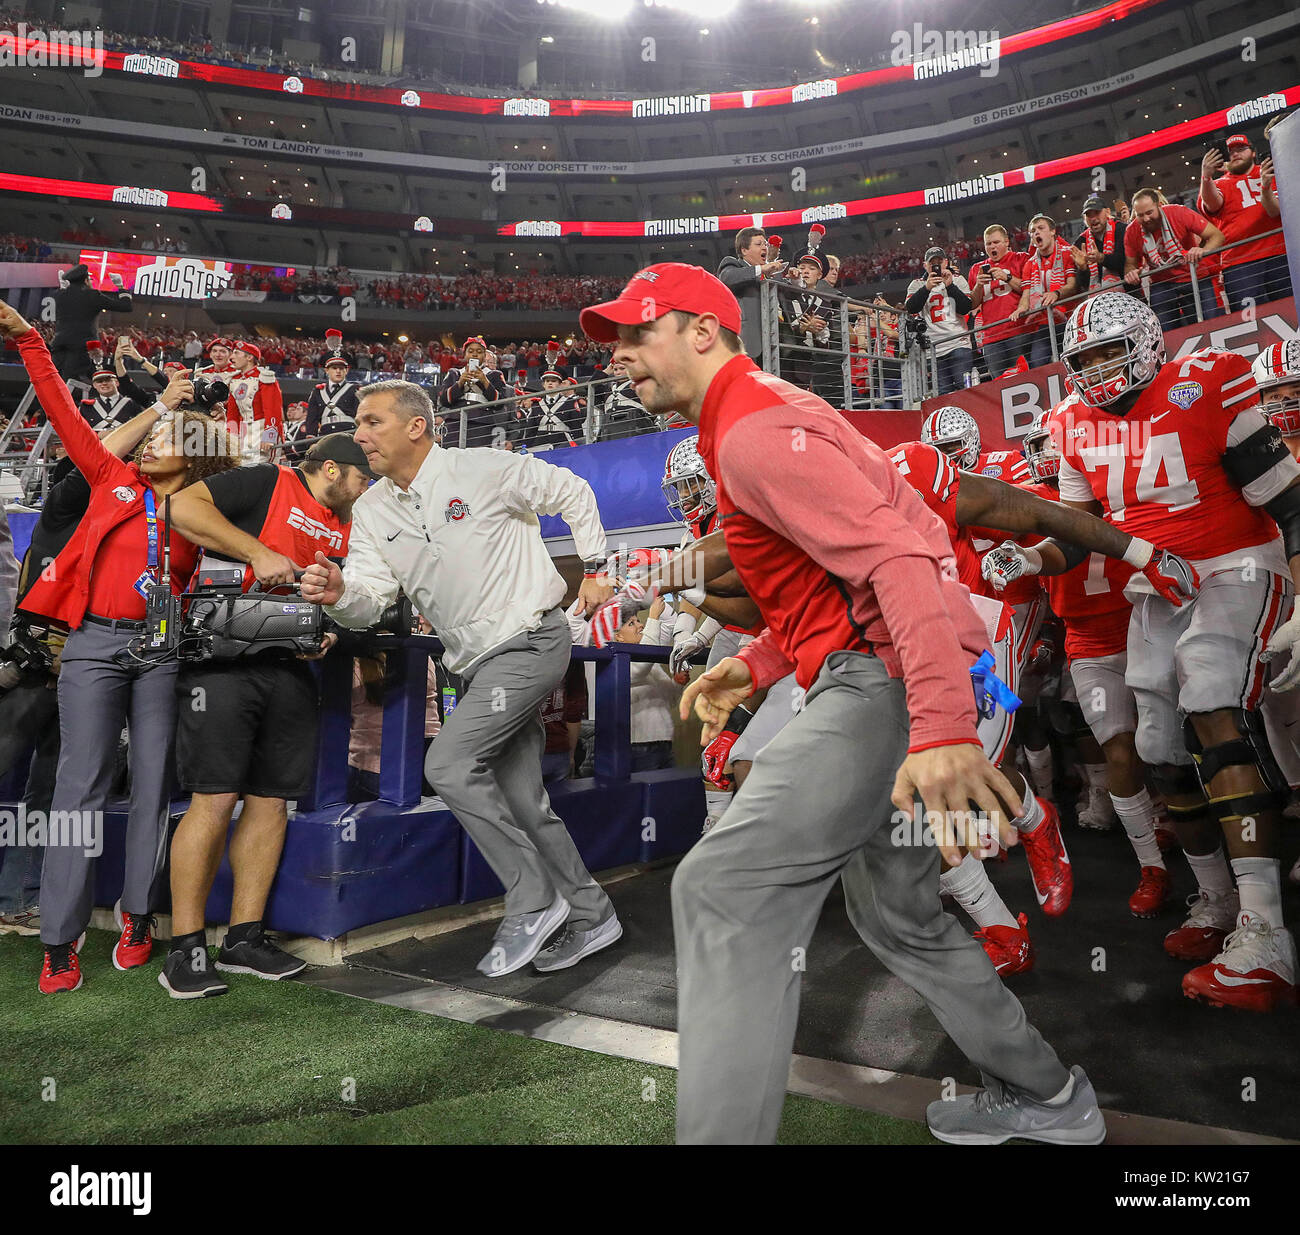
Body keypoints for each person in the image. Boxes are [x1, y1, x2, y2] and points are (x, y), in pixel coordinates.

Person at [578, 262, 1105, 1146]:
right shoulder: (759, 418)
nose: (620, 354)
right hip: (882, 673)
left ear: (705, 330)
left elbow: (901, 562)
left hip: (885, 685)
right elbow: (837, 585)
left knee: (722, 887)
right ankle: (1048, 1095)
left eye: (639, 331)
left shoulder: (752, 429)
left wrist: (938, 726)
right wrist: (758, 660)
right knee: (899, 916)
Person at [300, 380, 623, 977]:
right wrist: (343, 594)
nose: (359, 435)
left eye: (371, 422)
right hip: (474, 665)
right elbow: (372, 599)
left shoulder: (484, 468)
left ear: (416, 426)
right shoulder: (371, 510)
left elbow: (573, 490)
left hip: (529, 640)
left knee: (447, 765)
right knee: (526, 801)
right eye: (357, 423)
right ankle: (591, 912)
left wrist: (597, 567)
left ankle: (531, 899)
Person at [1050, 291, 1300, 1010]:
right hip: (1157, 586)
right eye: (1085, 358)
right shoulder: (1070, 422)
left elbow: (1290, 501)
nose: (1097, 369)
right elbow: (1079, 528)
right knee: (1157, 744)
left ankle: (1268, 933)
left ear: (1148, 342)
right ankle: (1218, 899)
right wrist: (1033, 559)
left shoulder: (1209, 383)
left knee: (1210, 688)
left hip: (1236, 564)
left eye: (1108, 351)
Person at [0, 298, 236, 995]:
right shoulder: (111, 481)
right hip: (95, 647)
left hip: (161, 652)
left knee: (155, 784)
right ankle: (59, 939)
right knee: (80, 785)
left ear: (193, 455)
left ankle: (138, 917)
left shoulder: (200, 511)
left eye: (169, 437)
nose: (155, 441)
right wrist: (32, 340)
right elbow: (63, 414)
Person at [160, 433, 371, 997]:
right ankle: (184, 947)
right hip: (223, 665)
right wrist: (255, 551)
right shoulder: (266, 481)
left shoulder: (350, 526)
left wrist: (325, 632)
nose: (365, 489)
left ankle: (244, 938)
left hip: (290, 667)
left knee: (271, 800)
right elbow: (181, 507)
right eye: (360, 478)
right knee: (214, 796)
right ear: (333, 469)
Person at [1198, 135, 1290, 312]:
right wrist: (1206, 176)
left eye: (1241, 149)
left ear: (1253, 152)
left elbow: (1275, 211)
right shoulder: (1217, 184)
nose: (1235, 154)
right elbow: (1212, 204)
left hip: (1281, 252)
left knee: (1293, 308)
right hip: (1240, 262)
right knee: (1251, 320)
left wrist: (1265, 186)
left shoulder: (1273, 171)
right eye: (1230, 151)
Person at [1123, 188, 1225, 329]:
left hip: (1195, 276)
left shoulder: (1178, 212)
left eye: (1149, 212)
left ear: (1159, 206)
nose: (1146, 219)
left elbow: (1217, 235)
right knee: (1163, 330)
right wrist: (1132, 272)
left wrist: (1202, 250)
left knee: (1211, 325)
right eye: (1140, 215)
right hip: (1162, 283)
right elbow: (1130, 264)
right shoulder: (1131, 231)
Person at [905, 246, 975, 394]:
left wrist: (950, 287)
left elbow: (965, 308)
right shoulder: (917, 284)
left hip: (958, 344)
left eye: (939, 261)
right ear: (925, 265)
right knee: (943, 394)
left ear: (946, 262)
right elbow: (911, 308)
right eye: (932, 263)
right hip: (934, 349)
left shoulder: (957, 280)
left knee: (966, 391)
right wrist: (926, 288)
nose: (936, 265)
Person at [1010, 215, 1078, 368]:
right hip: (1044, 323)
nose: (1036, 233)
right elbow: (1026, 295)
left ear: (1053, 232)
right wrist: (1021, 307)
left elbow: (1073, 285)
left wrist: (1056, 294)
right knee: (1037, 363)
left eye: (1041, 229)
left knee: (1073, 360)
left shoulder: (1068, 253)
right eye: (1033, 231)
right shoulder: (1029, 264)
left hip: (1070, 319)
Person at [716, 227, 788, 366]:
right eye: (758, 244)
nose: (765, 248)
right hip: (746, 345)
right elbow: (727, 277)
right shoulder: (732, 263)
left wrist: (796, 280)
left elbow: (788, 297)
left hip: (774, 346)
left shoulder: (771, 274)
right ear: (744, 250)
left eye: (765, 244)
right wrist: (761, 269)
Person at [49, 264, 132, 381]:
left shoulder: (59, 295)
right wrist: (121, 286)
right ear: (86, 280)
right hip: (82, 346)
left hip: (59, 344)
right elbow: (126, 306)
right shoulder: (92, 295)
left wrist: (64, 289)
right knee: (75, 381)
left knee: (55, 379)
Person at [968, 224, 1030, 379]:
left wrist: (1007, 277)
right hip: (991, 337)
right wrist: (978, 286)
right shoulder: (977, 269)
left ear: (1007, 242)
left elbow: (1030, 290)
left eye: (996, 242)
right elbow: (973, 304)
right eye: (988, 243)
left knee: (1025, 378)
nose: (992, 246)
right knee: (999, 386)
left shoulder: (1021, 258)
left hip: (1018, 330)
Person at [438, 335, 511, 447]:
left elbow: (500, 404)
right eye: (470, 351)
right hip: (455, 423)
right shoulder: (454, 373)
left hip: (482, 423)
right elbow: (443, 400)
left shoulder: (495, 375)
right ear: (465, 354)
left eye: (479, 351)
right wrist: (460, 382)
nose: (474, 354)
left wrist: (484, 381)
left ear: (484, 355)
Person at [224, 341, 284, 463]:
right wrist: (232, 438)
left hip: (262, 431)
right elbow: (232, 414)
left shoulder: (265, 377)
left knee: (262, 471)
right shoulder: (234, 379)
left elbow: (272, 409)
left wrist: (269, 436)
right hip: (243, 432)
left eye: (236, 353)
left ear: (249, 357)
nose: (231, 357)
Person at [1072, 195, 1127, 299]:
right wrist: (1083, 268)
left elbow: (1125, 262)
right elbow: (1082, 285)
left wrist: (1101, 258)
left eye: (1097, 213)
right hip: (1098, 303)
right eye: (1088, 215)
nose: (1093, 218)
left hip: (1128, 295)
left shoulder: (1122, 229)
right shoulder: (1080, 242)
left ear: (1107, 212)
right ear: (1084, 219)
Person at [305, 352, 360, 437]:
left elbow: (361, 415)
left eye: (341, 368)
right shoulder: (318, 391)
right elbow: (311, 419)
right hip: (325, 434)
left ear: (346, 370)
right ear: (326, 370)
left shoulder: (354, 389)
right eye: (334, 368)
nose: (338, 371)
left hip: (350, 434)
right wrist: (311, 440)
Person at [80, 368, 143, 434]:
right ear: (95, 385)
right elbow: (80, 430)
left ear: (117, 383)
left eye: (108, 380)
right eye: (99, 381)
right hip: (96, 443)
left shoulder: (132, 403)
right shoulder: (87, 406)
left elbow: (142, 427)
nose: (104, 383)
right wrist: (98, 434)